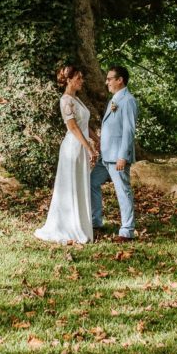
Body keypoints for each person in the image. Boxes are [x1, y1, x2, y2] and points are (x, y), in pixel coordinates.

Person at [34, 64, 98, 244]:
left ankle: (81, 224)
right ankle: (68, 226)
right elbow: (72, 127)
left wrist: (96, 139)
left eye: (81, 78)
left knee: (80, 184)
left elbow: (85, 124)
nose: (81, 81)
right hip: (73, 147)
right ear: (69, 80)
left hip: (82, 145)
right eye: (78, 78)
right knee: (70, 185)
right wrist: (88, 147)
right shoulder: (65, 101)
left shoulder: (77, 100)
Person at [90, 65, 138, 242]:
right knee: (91, 182)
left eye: (110, 79)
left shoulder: (128, 100)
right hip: (105, 156)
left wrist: (122, 156)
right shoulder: (114, 100)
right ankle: (96, 221)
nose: (106, 82)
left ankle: (127, 230)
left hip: (117, 157)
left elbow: (128, 130)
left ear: (120, 80)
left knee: (123, 191)